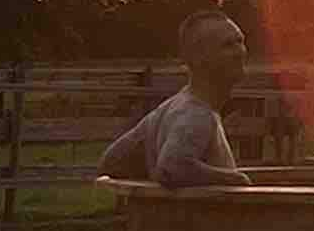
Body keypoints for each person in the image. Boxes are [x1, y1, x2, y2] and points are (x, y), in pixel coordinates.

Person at [98, 10, 253, 189]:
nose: (240, 52)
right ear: (196, 58)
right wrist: (237, 181)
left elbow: (111, 162)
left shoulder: (176, 106)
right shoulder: (196, 114)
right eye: (227, 45)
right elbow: (172, 168)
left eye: (240, 41)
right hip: (196, 217)